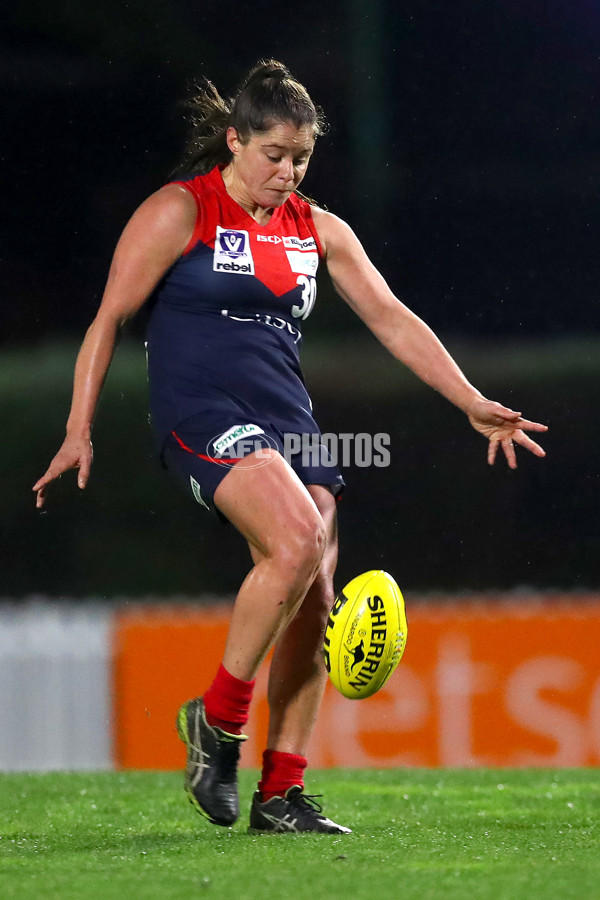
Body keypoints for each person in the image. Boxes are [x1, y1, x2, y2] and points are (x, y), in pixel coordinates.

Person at [33, 59, 547, 834]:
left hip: (290, 421)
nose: (286, 171)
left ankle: (284, 793)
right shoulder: (182, 210)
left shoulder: (319, 229)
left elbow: (392, 317)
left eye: (300, 158)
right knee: (299, 537)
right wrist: (79, 428)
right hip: (201, 411)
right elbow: (108, 319)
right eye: (273, 154)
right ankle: (217, 719)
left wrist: (472, 401)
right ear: (235, 141)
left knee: (314, 590)